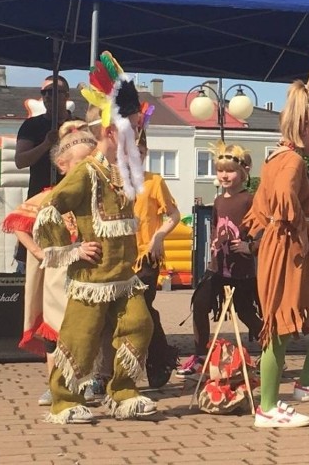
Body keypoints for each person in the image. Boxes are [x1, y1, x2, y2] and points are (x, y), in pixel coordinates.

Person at [34, 51, 154, 424]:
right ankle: (63, 399)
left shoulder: (122, 172)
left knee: (139, 325)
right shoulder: (86, 172)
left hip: (123, 277)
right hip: (92, 278)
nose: (137, 136)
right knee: (81, 337)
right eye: (132, 129)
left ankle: (123, 392)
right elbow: (51, 207)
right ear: (110, 132)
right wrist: (70, 249)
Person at [244, 54, 309, 429]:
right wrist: (298, 219)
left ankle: (306, 383)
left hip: (293, 246)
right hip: (288, 248)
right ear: (307, 126)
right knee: (280, 324)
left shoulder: (278, 156)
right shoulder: (291, 162)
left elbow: (261, 208)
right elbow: (282, 203)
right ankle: (268, 407)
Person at [2, 120, 97, 406]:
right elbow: (17, 222)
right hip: (57, 277)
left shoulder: (96, 199)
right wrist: (37, 251)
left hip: (87, 276)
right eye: (80, 163)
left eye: (90, 163)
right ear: (62, 165)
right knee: (54, 330)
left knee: (86, 330)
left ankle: (84, 380)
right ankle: (54, 383)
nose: (86, 169)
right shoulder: (50, 197)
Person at [177, 142, 263, 379]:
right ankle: (200, 354)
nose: (224, 175)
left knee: (246, 313)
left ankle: (270, 350)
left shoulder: (249, 199)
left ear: (244, 172)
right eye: (220, 170)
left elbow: (259, 228)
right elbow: (216, 227)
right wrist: (215, 243)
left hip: (242, 269)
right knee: (201, 303)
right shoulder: (217, 201)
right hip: (217, 267)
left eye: (230, 170)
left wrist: (249, 246)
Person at [132, 128, 182, 387]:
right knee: (138, 312)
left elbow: (174, 215)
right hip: (118, 258)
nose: (134, 157)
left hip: (146, 257)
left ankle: (157, 358)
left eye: (139, 152)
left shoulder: (153, 181)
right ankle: (159, 355)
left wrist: (159, 236)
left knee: (141, 308)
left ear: (145, 153)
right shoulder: (111, 181)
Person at [14, 75, 74, 271]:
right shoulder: (32, 126)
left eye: (54, 92)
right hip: (38, 202)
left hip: (70, 204)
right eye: (44, 93)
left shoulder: (77, 126)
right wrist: (46, 144)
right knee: (33, 263)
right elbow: (20, 161)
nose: (48, 97)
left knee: (69, 259)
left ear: (66, 96)